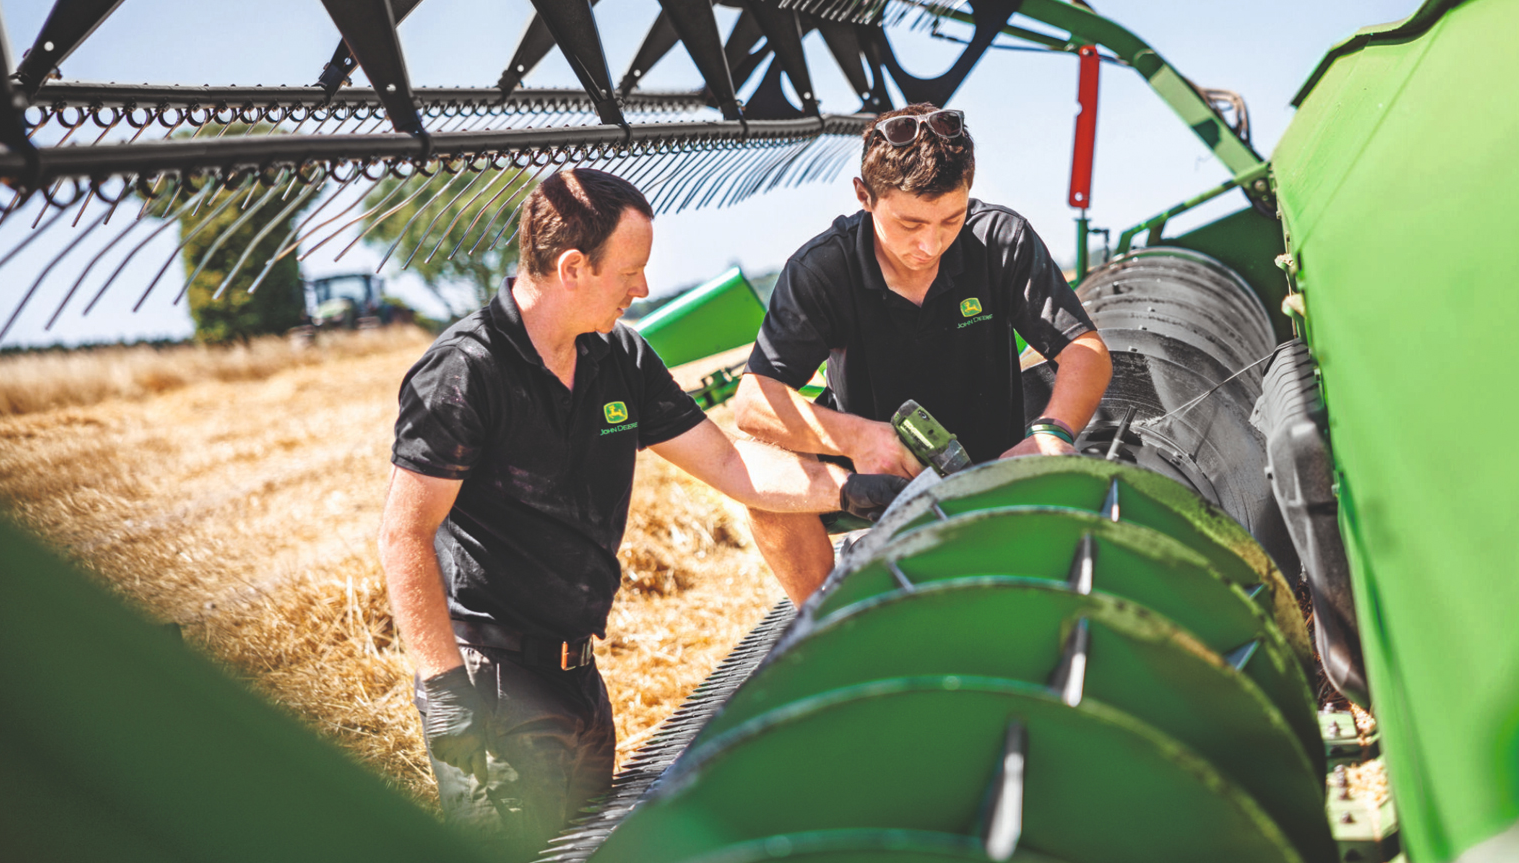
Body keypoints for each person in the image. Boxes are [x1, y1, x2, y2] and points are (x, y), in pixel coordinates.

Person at [379, 168, 901, 858]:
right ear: (573, 268)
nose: (643, 289)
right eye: (632, 270)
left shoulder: (616, 356)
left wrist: (848, 490)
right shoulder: (467, 372)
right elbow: (404, 534)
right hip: (494, 687)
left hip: (580, 679)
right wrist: (444, 692)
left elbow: (730, 464)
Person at [730, 103, 1113, 605]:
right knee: (765, 481)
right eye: (909, 224)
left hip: (992, 463)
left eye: (950, 220)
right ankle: (829, 623)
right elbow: (753, 403)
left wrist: (1051, 431)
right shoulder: (823, 268)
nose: (930, 245)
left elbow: (1085, 350)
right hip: (878, 479)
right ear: (864, 196)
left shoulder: (999, 239)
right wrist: (862, 439)